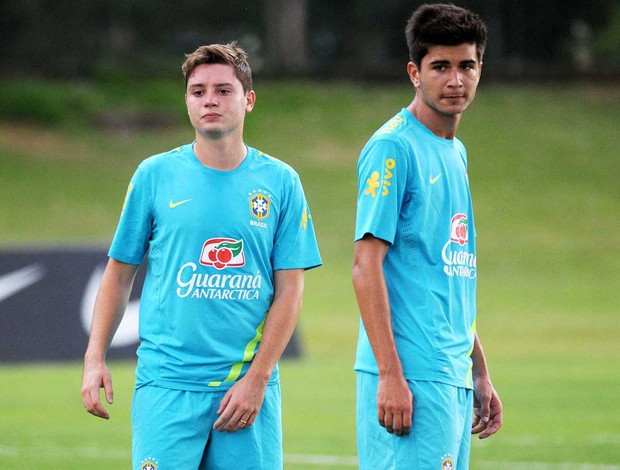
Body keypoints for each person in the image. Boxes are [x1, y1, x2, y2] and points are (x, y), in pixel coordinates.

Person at [81, 42, 322, 470]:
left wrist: (258, 379)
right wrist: (94, 357)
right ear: (188, 101)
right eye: (198, 91)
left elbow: (290, 292)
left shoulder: (281, 182)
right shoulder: (154, 175)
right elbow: (119, 276)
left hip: (246, 389)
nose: (209, 99)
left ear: (248, 100)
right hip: (166, 386)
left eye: (223, 90)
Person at [352, 4, 502, 469]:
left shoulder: (455, 152)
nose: (455, 81)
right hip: (412, 374)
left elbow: (447, 272)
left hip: (449, 373)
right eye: (441, 67)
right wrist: (390, 376)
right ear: (415, 72)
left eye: (466, 66)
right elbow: (365, 266)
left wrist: (478, 370)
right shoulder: (392, 148)